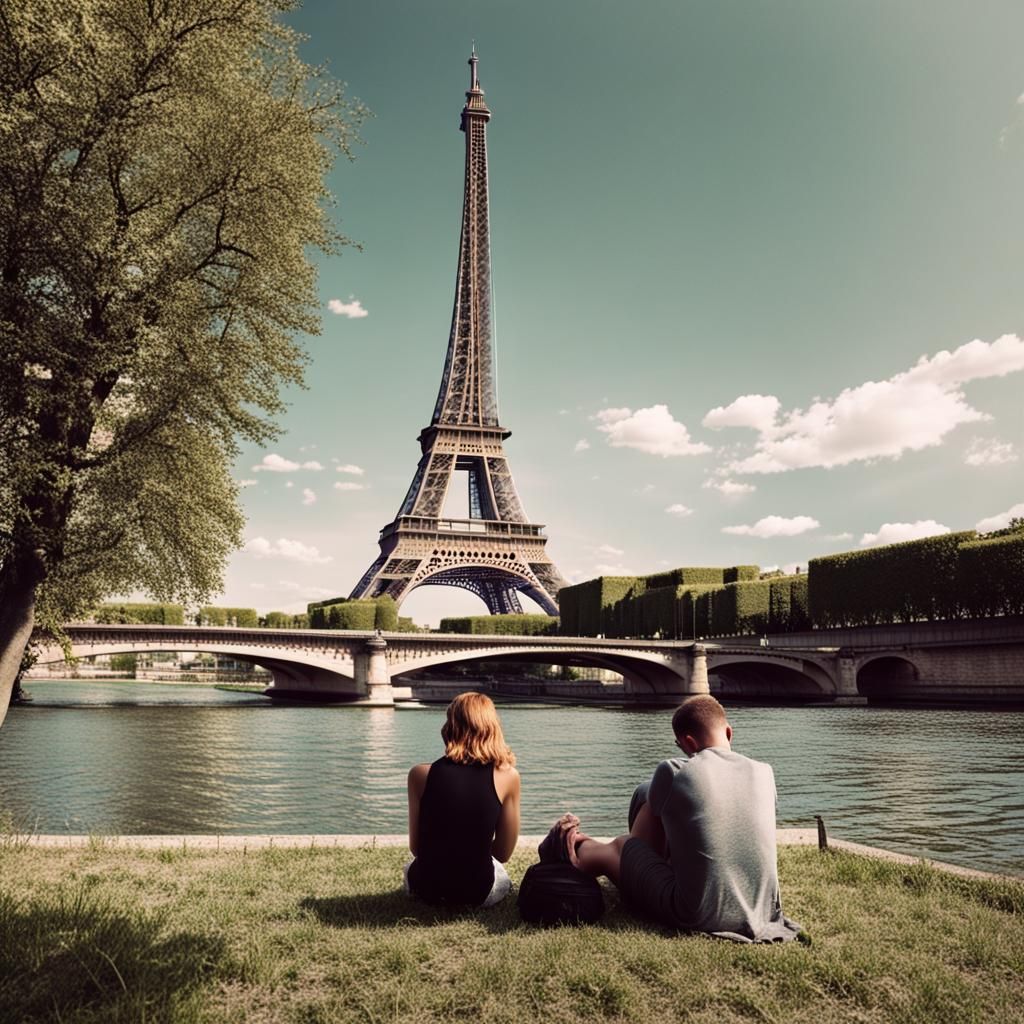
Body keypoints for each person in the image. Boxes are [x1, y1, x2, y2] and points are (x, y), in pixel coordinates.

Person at [541, 694, 801, 942]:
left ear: (688, 742)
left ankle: (575, 850)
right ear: (729, 732)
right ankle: (603, 856)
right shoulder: (764, 772)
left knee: (623, 845)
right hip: (761, 911)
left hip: (695, 914)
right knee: (647, 793)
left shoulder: (675, 771)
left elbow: (651, 808)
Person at [405, 691, 521, 907]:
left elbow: (417, 848)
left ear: (450, 727)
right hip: (477, 892)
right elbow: (503, 853)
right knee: (499, 871)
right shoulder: (508, 776)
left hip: (427, 889)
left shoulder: (419, 775)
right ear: (492, 727)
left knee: (412, 866)